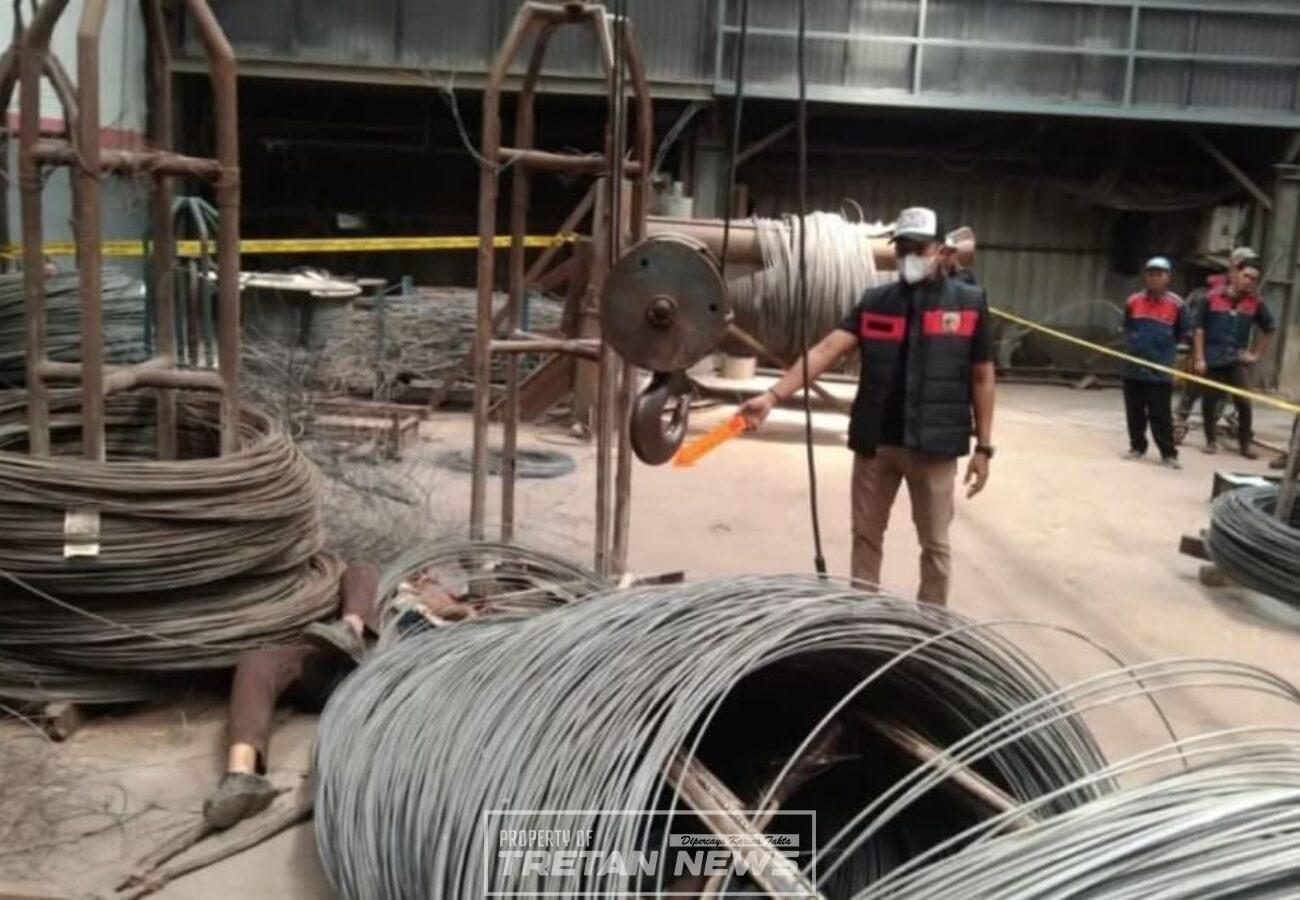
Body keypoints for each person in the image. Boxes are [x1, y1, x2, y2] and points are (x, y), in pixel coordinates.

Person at [739, 206, 995, 606]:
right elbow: (826, 349)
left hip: (935, 446)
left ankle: (930, 623)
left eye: (919, 248)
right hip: (877, 444)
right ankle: (863, 617)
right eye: (903, 248)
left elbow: (982, 376)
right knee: (866, 537)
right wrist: (773, 396)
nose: (909, 256)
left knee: (935, 545)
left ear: (943, 251)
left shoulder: (969, 304)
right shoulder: (876, 302)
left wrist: (984, 447)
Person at [202, 562, 380, 829]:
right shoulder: (389, 589)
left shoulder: (433, 623)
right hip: (337, 660)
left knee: (363, 573)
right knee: (258, 662)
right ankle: (241, 776)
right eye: (424, 577)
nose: (427, 579)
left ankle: (350, 633)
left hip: (386, 682)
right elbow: (359, 571)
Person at [1193, 255, 1275, 458]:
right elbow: (1199, 329)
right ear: (1235, 274)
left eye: (1254, 279)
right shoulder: (1211, 298)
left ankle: (1244, 445)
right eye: (1246, 276)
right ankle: (1210, 441)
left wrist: (1255, 354)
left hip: (1236, 359)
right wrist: (1200, 358)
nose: (1249, 281)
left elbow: (1269, 328)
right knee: (1209, 400)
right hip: (1213, 357)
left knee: (1244, 402)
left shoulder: (1255, 303)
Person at [1176, 246, 1256, 433]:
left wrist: (1251, 353)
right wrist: (1196, 351)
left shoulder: (1249, 296)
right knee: (1192, 389)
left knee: (1220, 393)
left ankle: (1210, 432)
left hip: (1228, 355)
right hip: (1205, 351)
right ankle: (1179, 424)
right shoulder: (1208, 293)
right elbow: (1195, 323)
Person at [1121, 257, 1188, 468]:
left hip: (1159, 369)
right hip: (1134, 367)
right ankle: (1137, 447)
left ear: (1168, 278)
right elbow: (1127, 328)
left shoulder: (1177, 305)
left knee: (1160, 413)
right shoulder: (1133, 301)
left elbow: (1184, 334)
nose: (1154, 278)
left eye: (1159, 274)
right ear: (1145, 276)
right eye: (1151, 274)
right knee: (1134, 411)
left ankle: (1168, 453)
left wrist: (1178, 358)